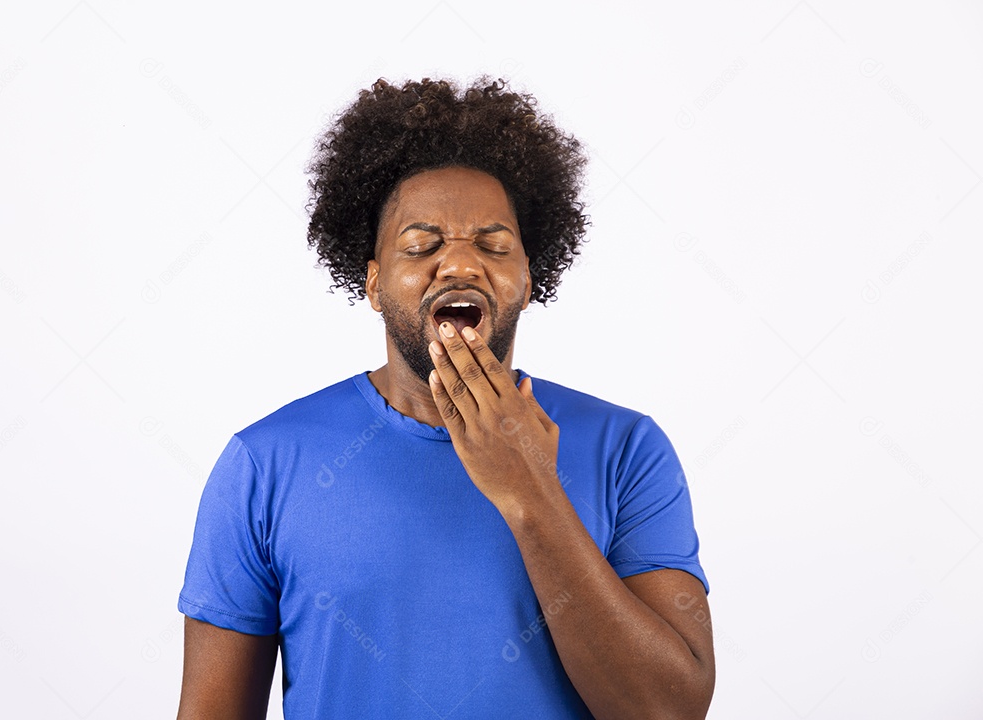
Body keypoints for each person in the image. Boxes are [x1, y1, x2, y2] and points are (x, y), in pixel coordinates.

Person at [176, 77, 715, 720]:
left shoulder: (628, 450)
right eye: (421, 245)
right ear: (373, 284)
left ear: (527, 281)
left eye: (493, 245)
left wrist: (529, 489)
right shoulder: (262, 465)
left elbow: (669, 710)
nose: (459, 265)